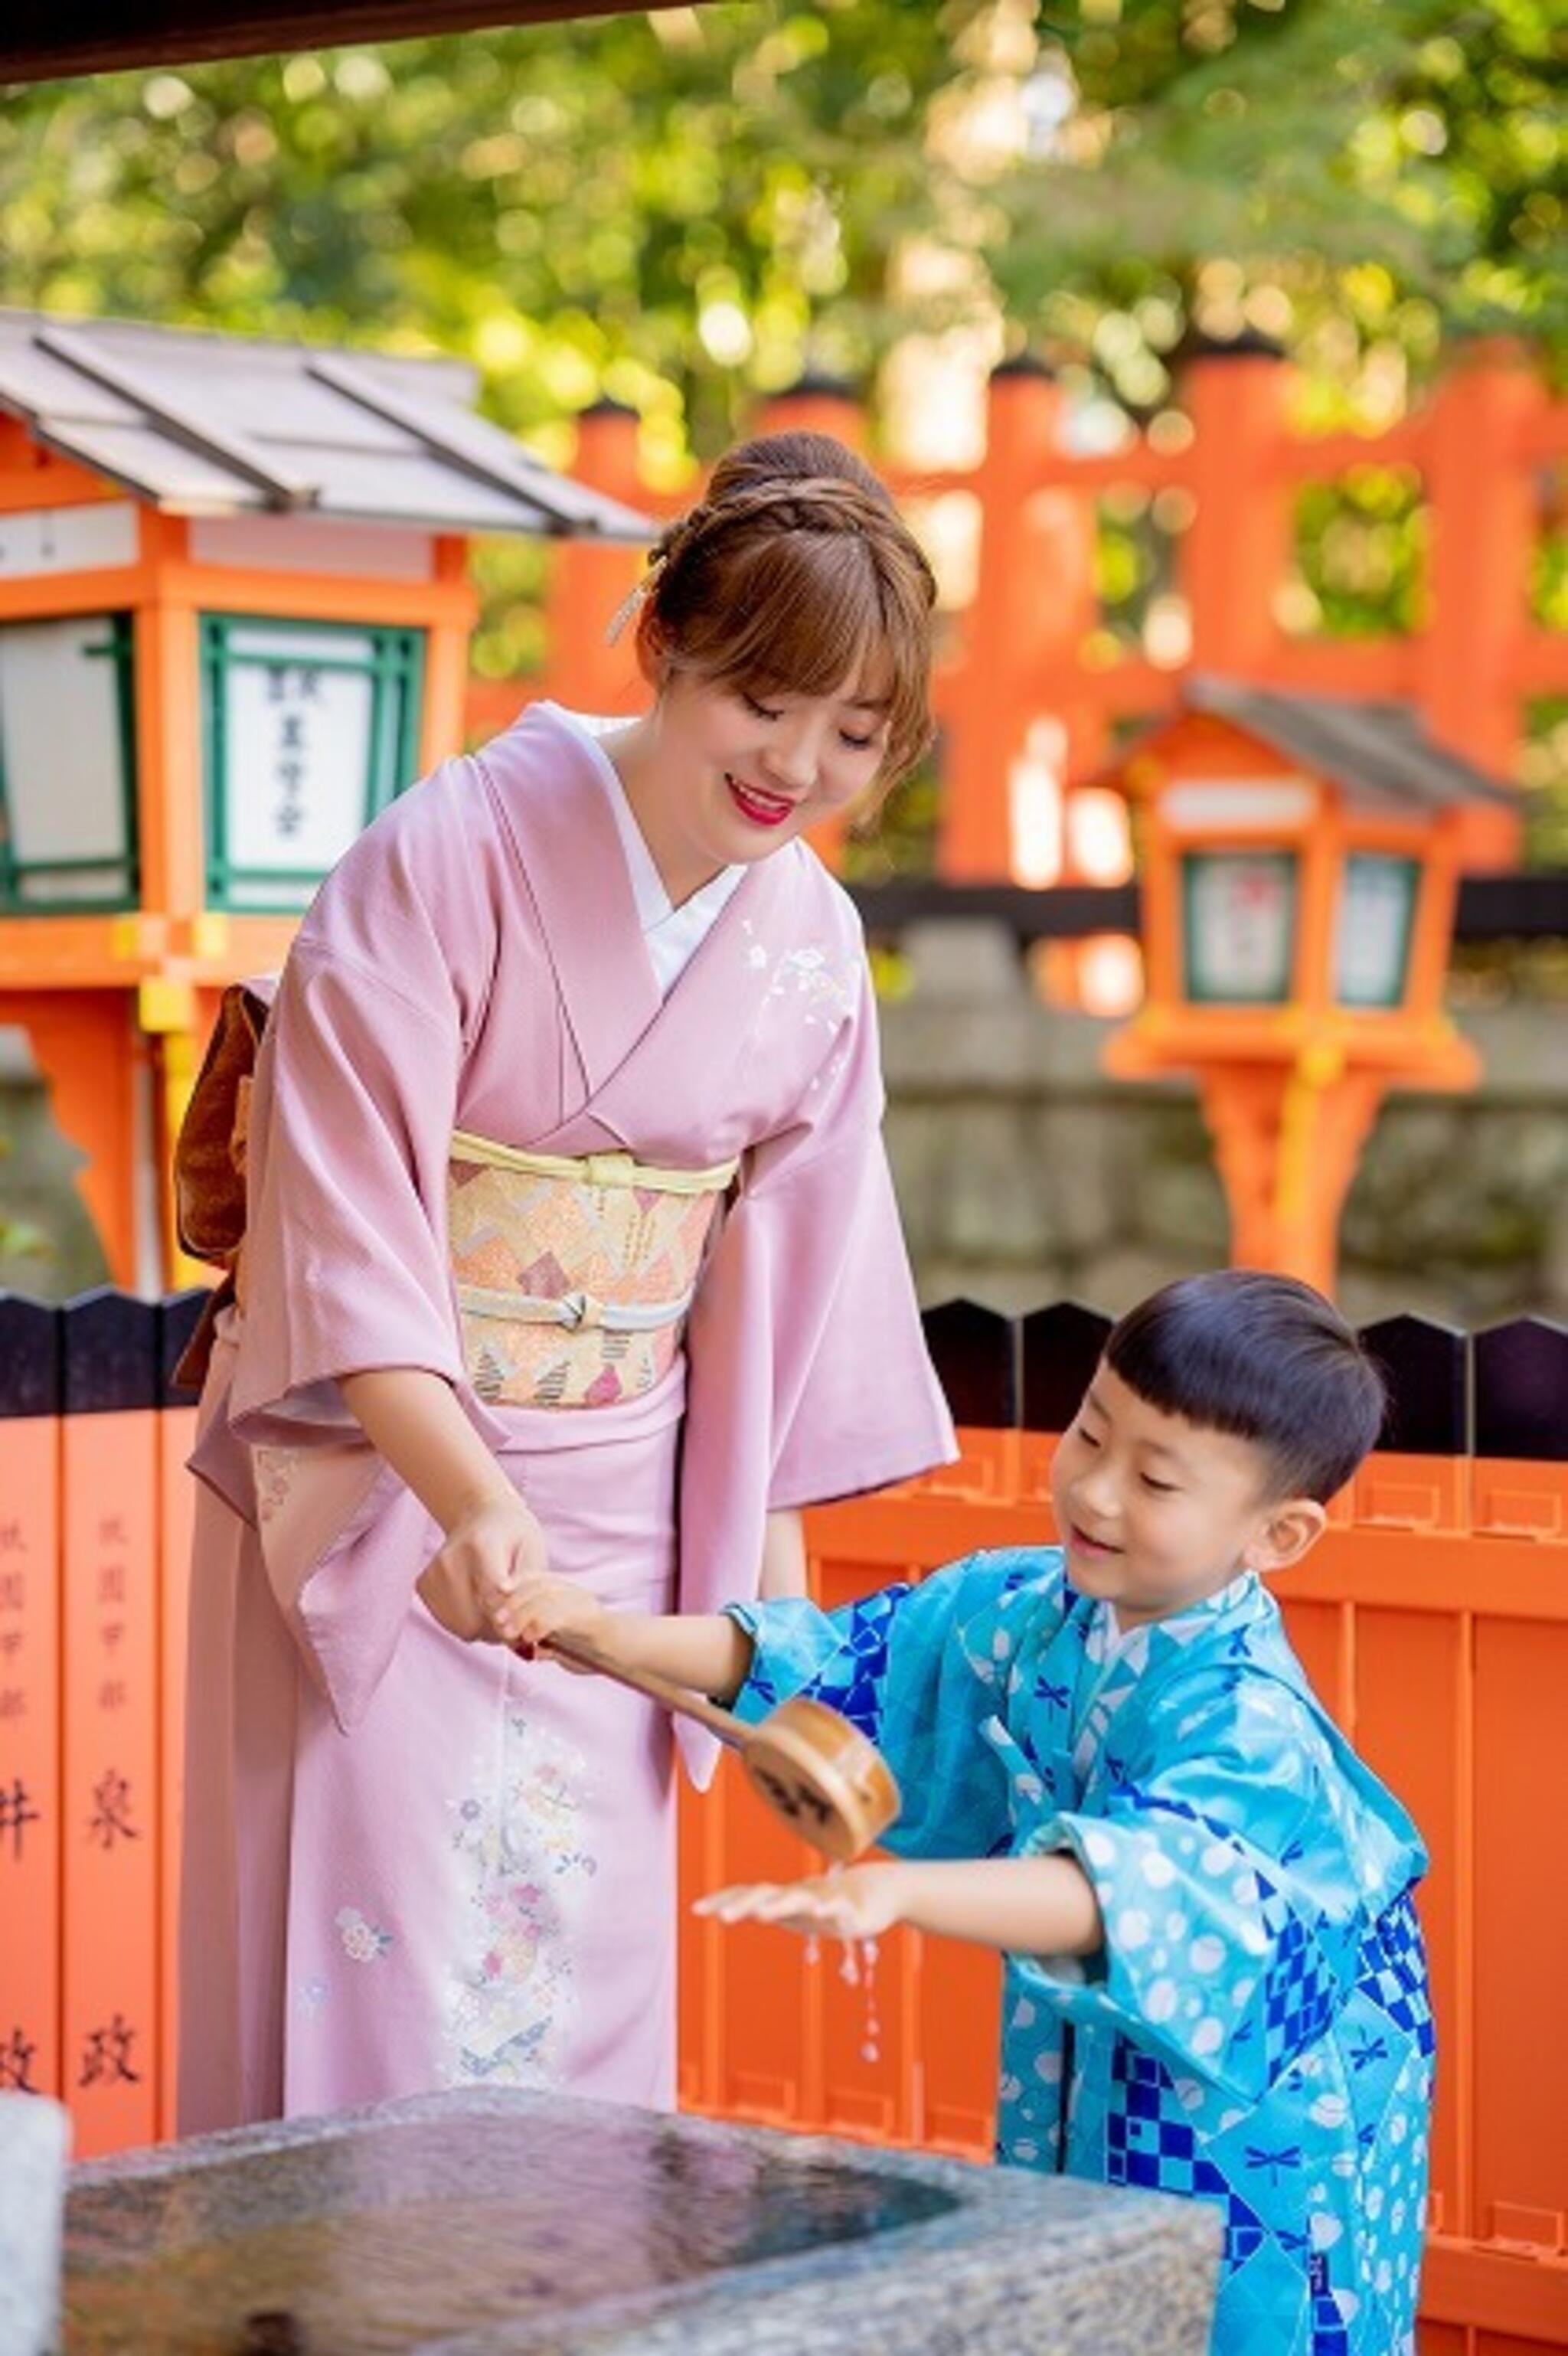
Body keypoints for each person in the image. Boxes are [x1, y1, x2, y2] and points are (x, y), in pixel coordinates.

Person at [174, 430, 957, 2133]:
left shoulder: (811, 944)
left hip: (622, 1524)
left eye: (851, 734)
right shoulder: (444, 854)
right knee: (367, 1958)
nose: (797, 765)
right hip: (383, 1480)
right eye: (766, 699)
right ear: (665, 639)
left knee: (571, 1982)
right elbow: (344, 1226)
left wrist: (773, 1643)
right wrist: (463, 1494)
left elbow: (790, 1313)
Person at [499, 1270, 1434, 2356]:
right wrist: (603, 1635)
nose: (1095, 1493)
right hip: (1114, 2026)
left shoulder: (1250, 1722)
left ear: (1279, 1534)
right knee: (1082, 2273)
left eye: (1156, 1478)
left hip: (1275, 2081)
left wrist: (899, 1886)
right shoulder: (1033, 1606)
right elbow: (833, 1663)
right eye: (1090, 1434)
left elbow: (1124, 1892)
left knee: (1236, 2314)